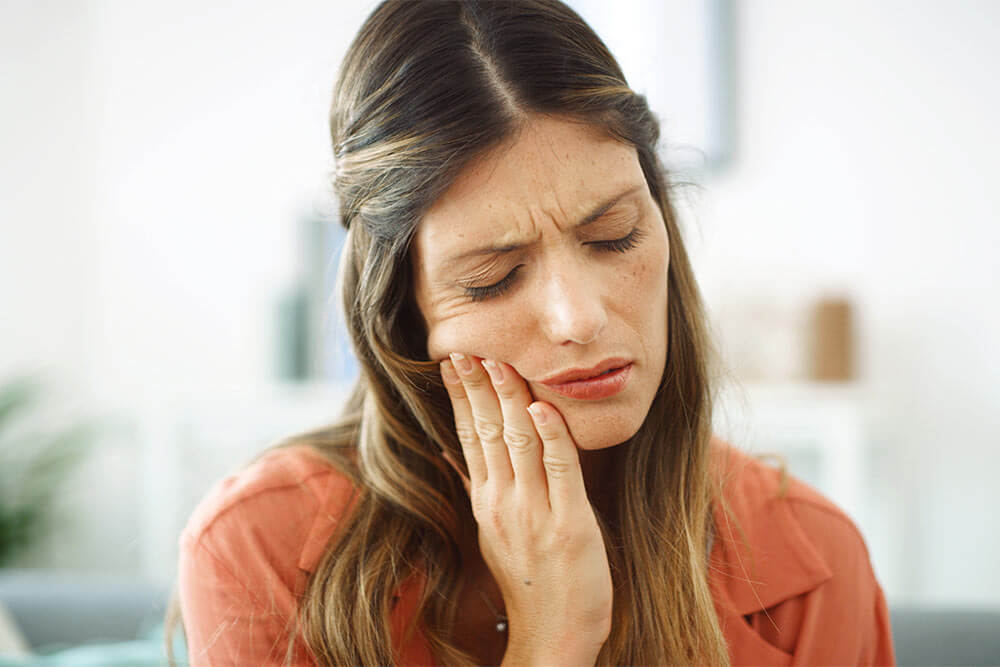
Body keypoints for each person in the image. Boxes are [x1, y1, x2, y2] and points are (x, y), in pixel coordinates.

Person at [164, 1, 896, 665]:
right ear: (404, 311)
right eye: (492, 277)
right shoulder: (261, 547)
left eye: (614, 236)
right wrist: (554, 638)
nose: (579, 318)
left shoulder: (813, 559)